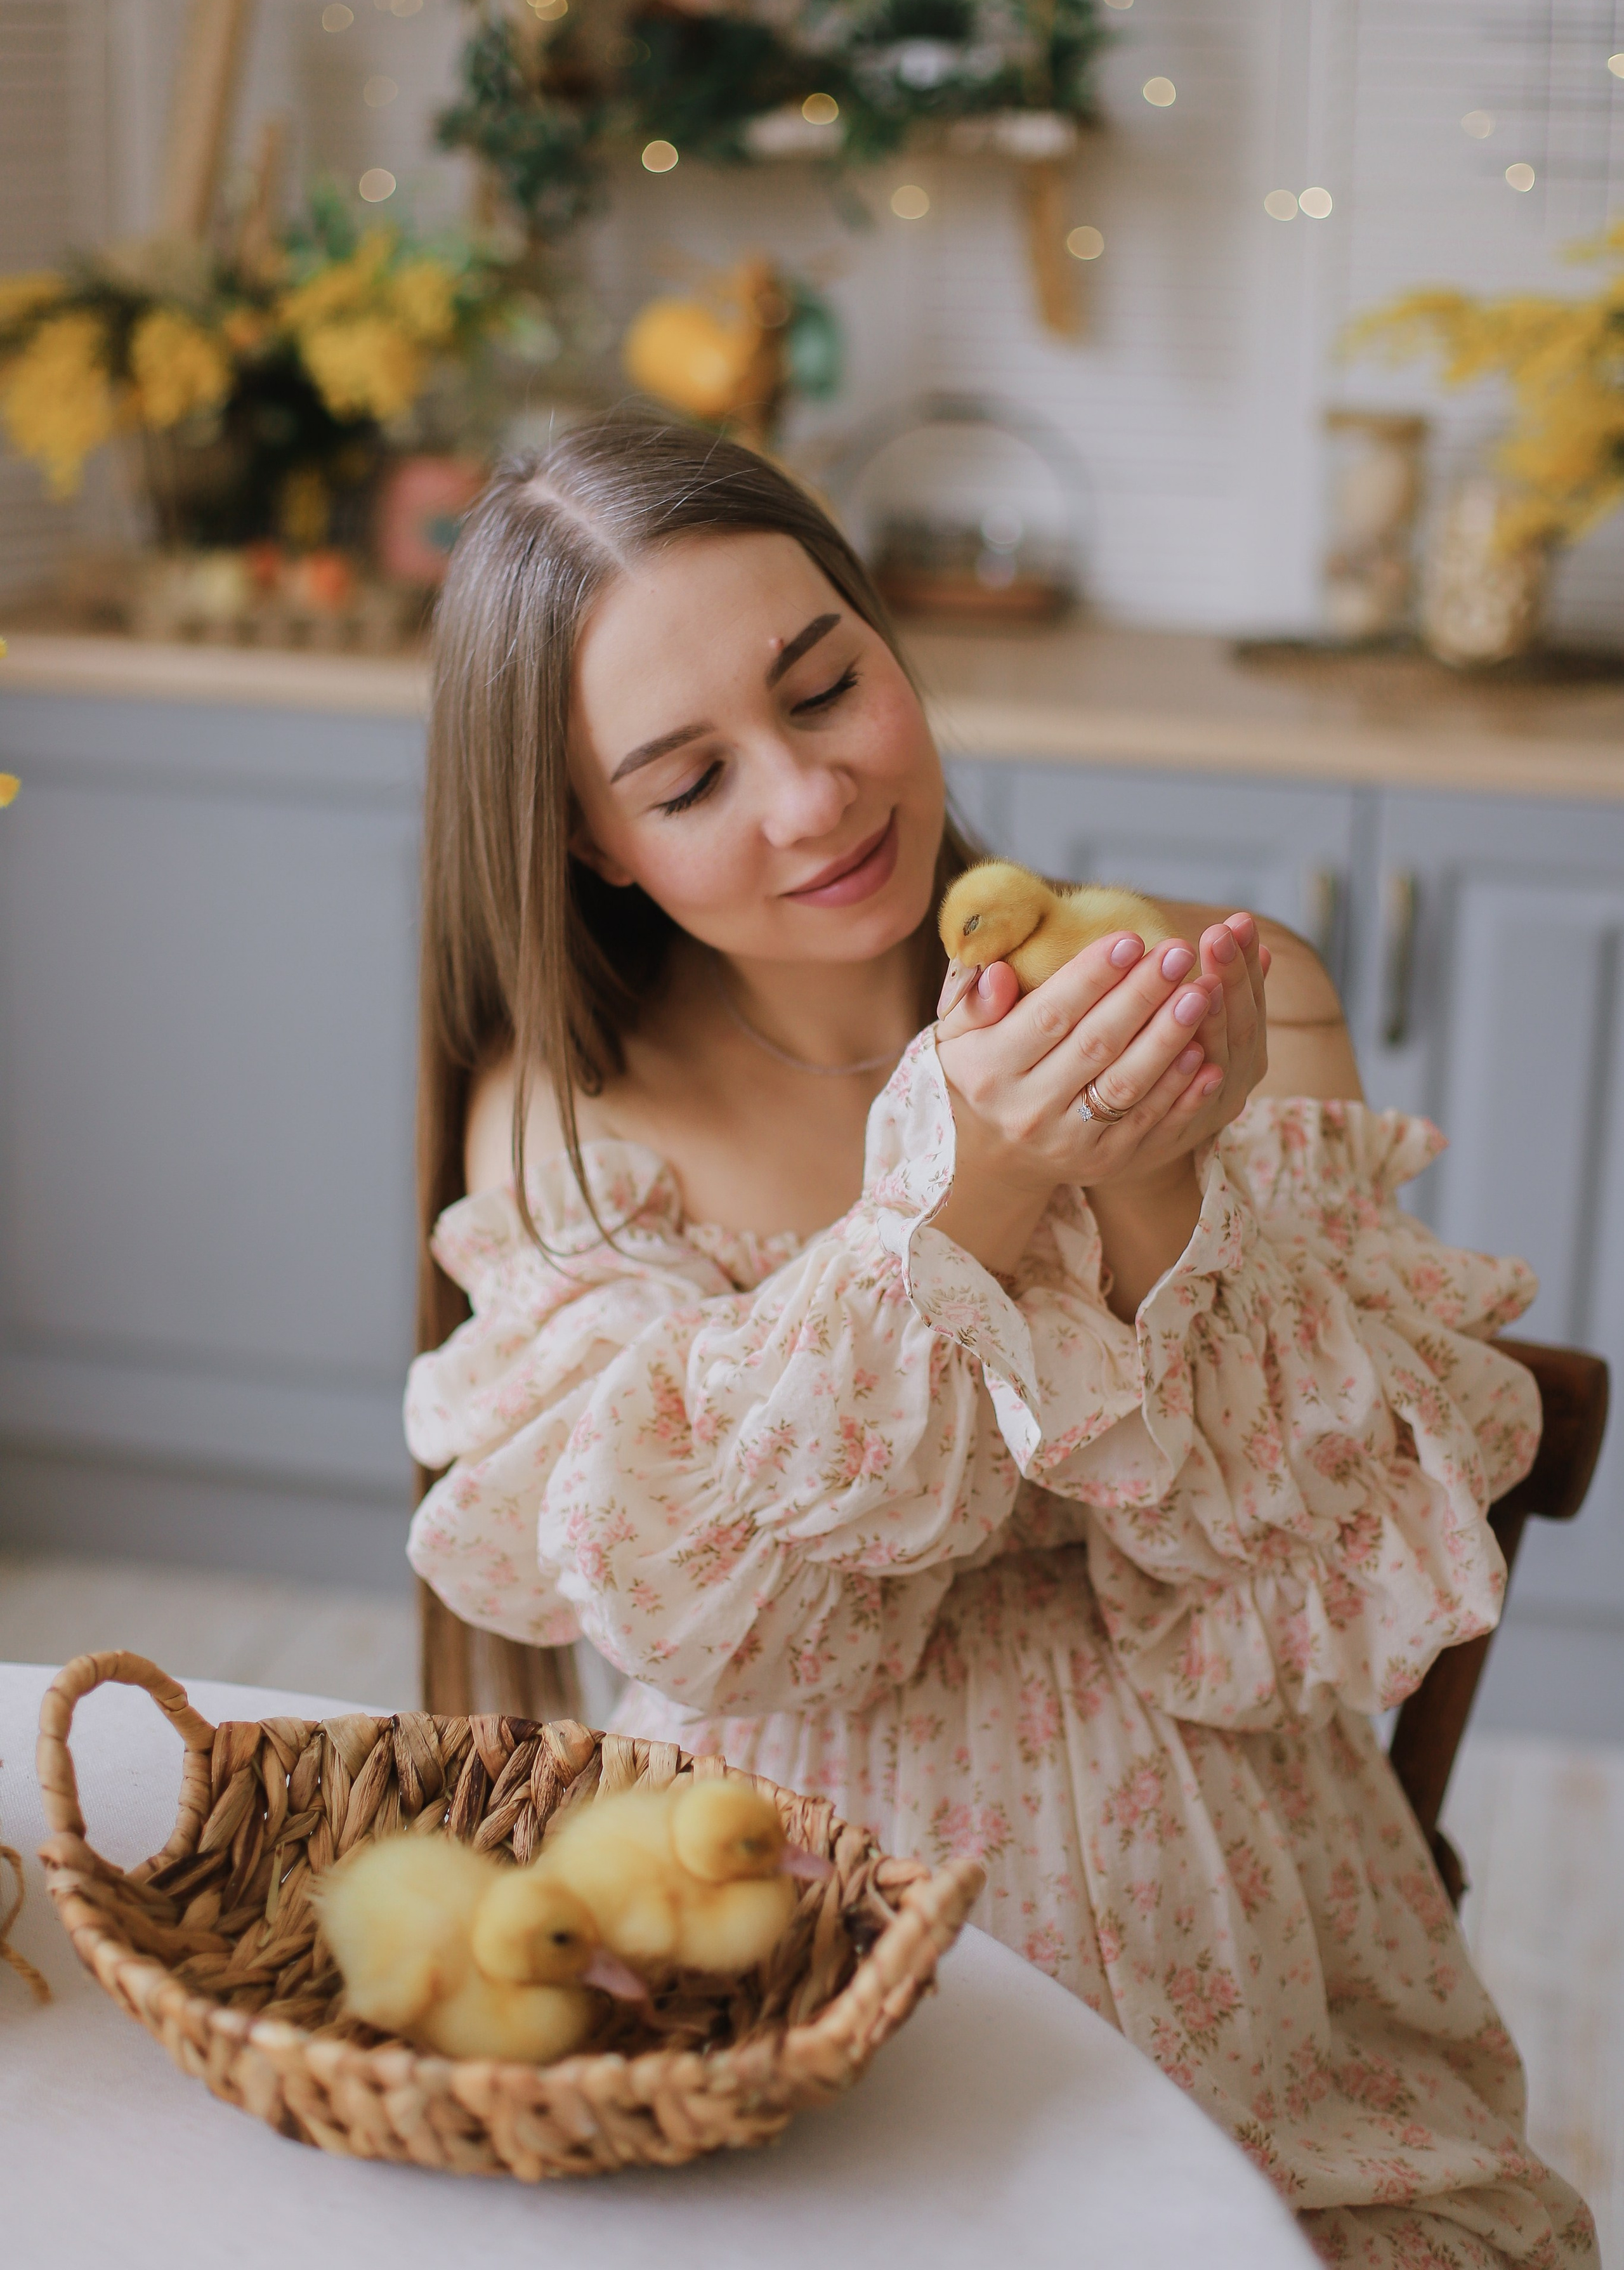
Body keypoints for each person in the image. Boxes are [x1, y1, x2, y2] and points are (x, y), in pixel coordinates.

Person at [406, 419, 1594, 2268]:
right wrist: (968, 1195)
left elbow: (1308, 1571)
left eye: (826, 688)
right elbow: (714, 1612)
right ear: (588, 837)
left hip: (1246, 1921)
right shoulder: (577, 1118)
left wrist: (1157, 1178)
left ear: (889, 645)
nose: (812, 796)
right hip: (779, 1920)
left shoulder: (1230, 987)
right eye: (691, 779)